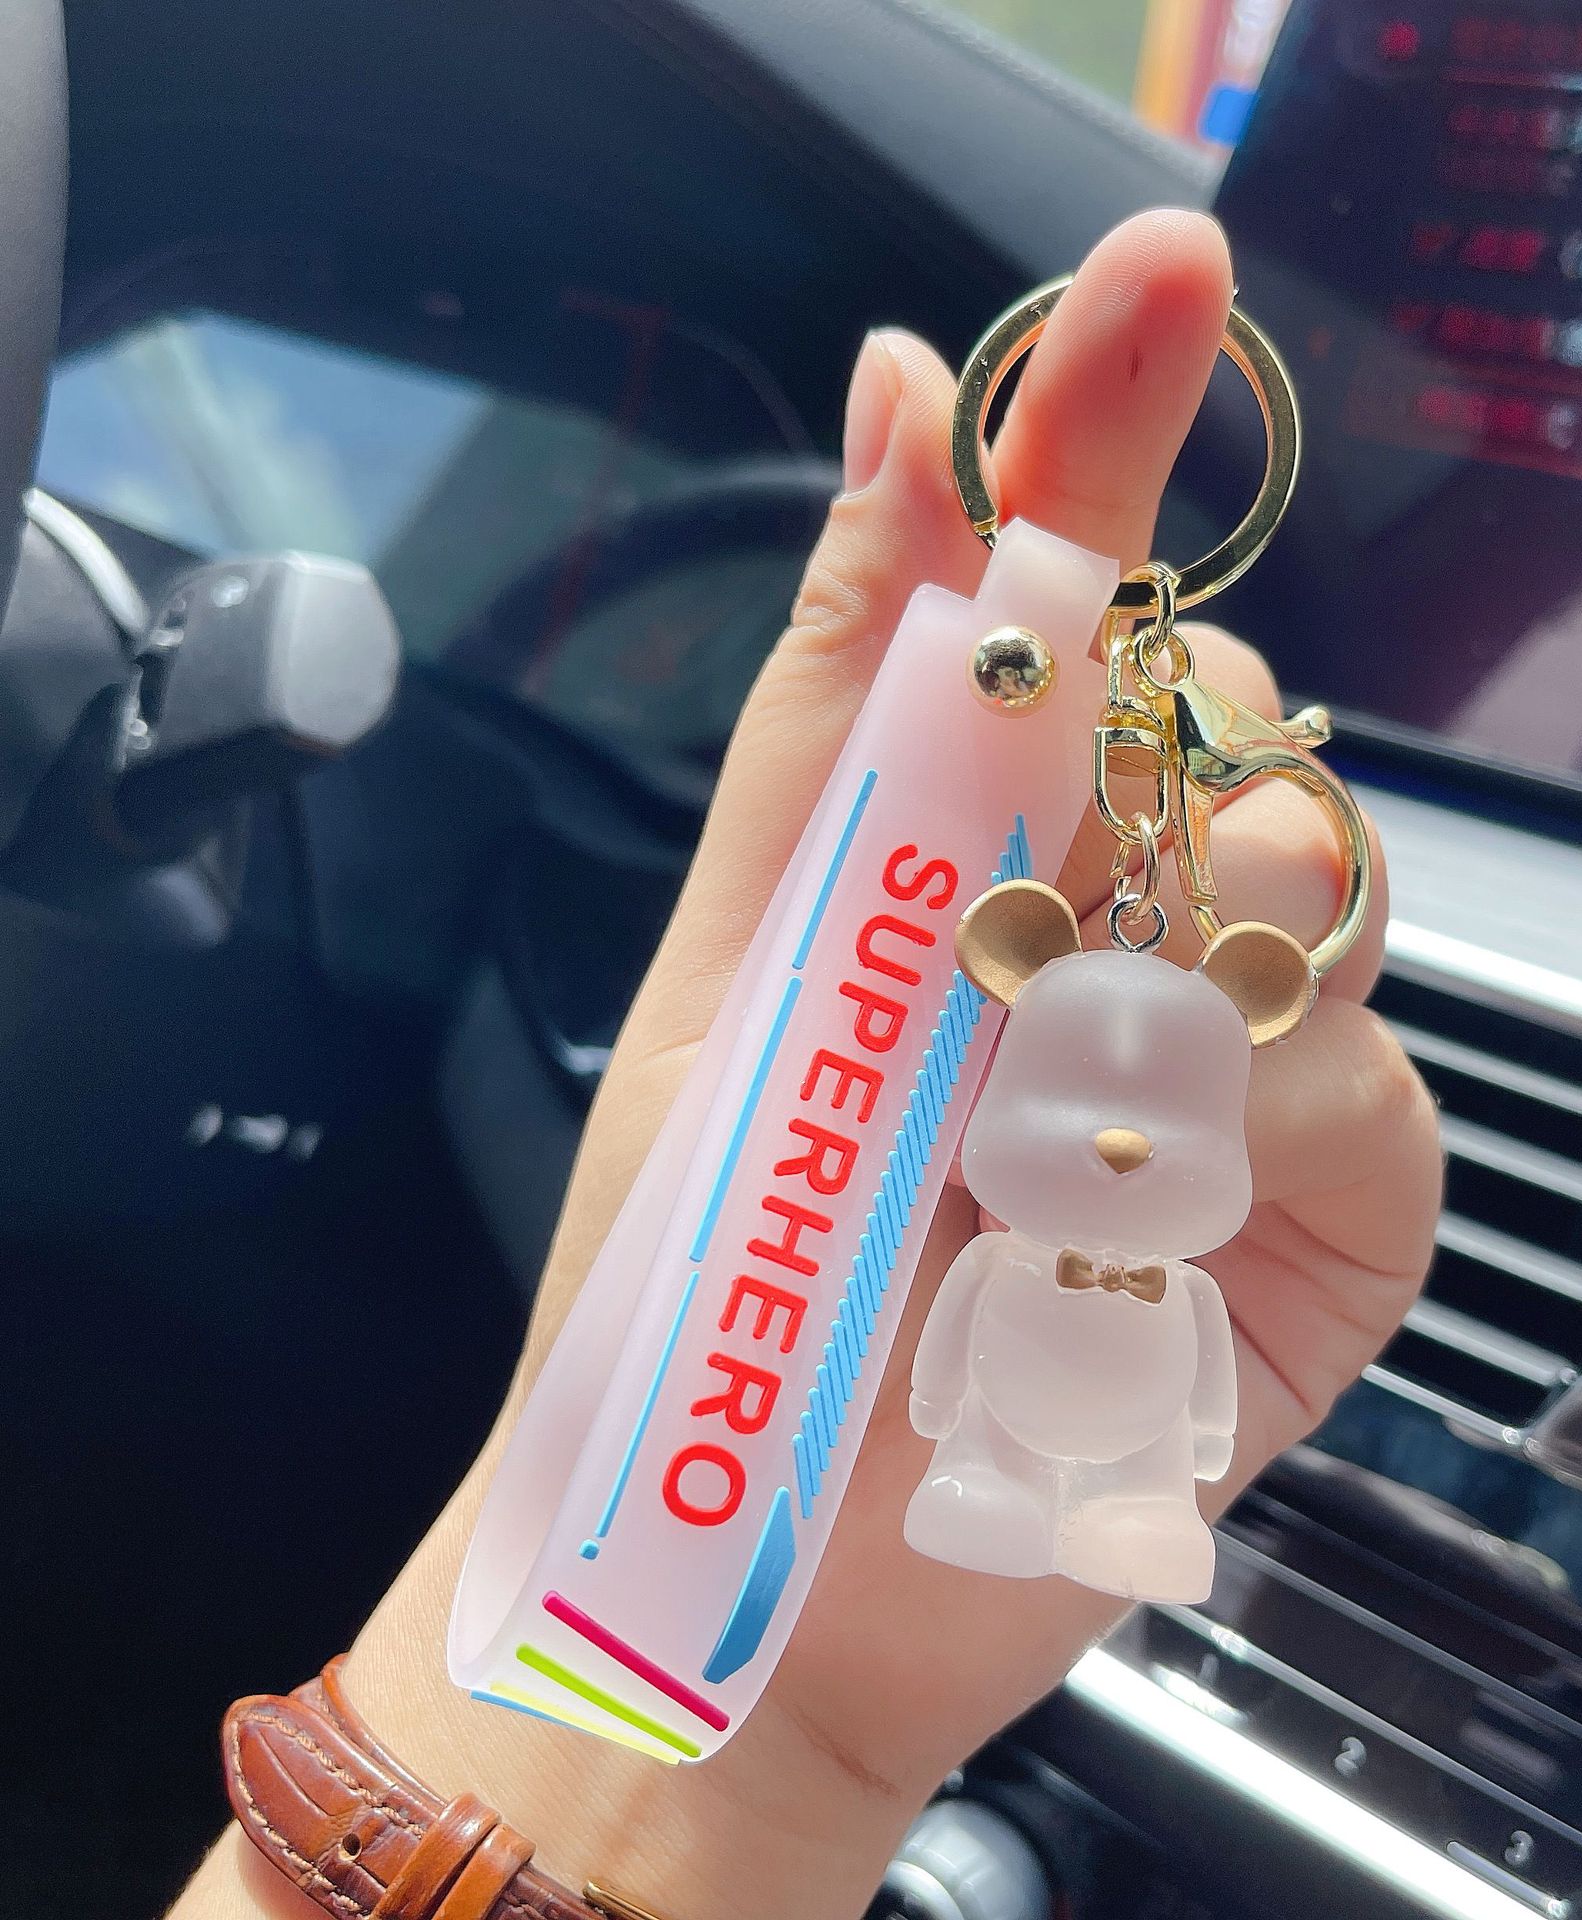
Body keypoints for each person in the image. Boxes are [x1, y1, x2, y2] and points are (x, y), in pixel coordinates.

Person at [172, 209, 1443, 1920]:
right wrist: (735, 1753)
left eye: (1163, 1118)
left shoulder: (1184, 1276)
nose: (1129, 1145)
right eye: (1079, 1100)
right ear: (1009, 994)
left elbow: (1183, 1399)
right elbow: (942, 1376)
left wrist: (786, 1762)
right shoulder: (982, 1179)